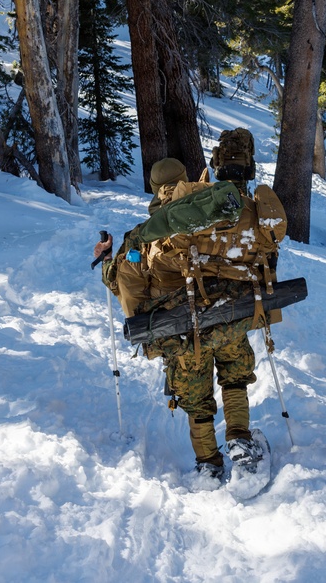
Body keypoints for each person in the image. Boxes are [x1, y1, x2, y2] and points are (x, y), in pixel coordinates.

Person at [115, 136, 268, 481]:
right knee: (235, 378)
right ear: (186, 177)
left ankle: (208, 464)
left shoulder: (147, 233)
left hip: (182, 332)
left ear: (154, 188)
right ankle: (239, 440)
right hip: (227, 314)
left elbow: (125, 282)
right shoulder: (216, 209)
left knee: (197, 400)